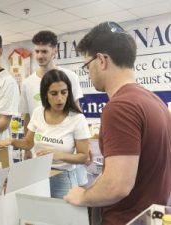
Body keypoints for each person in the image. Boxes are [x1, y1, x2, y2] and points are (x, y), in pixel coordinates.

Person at [64, 21, 171, 225]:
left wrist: (82, 196)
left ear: (102, 60)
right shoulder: (154, 101)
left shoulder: (120, 107)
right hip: (153, 217)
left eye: (87, 65)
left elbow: (117, 186)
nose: (88, 72)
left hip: (127, 220)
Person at [0, 69, 91, 198]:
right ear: (45, 94)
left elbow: (83, 156)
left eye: (64, 92)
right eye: (54, 93)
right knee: (37, 215)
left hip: (63, 177)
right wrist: (12, 141)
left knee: (62, 216)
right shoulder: (38, 113)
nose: (60, 98)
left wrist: (58, 155)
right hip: (39, 175)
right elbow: (29, 143)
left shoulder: (77, 119)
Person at [19, 30, 83, 159]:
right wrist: (27, 148)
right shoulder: (27, 83)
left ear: (55, 51)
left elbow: (77, 110)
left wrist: (83, 142)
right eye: (37, 51)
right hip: (39, 149)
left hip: (64, 148)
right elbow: (27, 118)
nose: (39, 56)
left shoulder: (70, 77)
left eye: (44, 51)